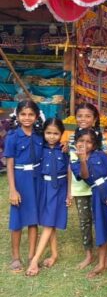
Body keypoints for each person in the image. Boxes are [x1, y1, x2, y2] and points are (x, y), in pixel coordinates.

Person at [27, 119, 71, 276]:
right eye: (48, 133)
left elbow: (69, 170)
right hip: (43, 187)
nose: (52, 136)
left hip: (59, 188)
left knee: (48, 223)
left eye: (56, 133)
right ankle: (54, 254)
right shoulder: (40, 147)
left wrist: (69, 193)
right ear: (43, 133)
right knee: (48, 221)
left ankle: (35, 260)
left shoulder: (65, 149)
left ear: (61, 134)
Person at [71, 127, 107, 278]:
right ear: (75, 143)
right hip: (97, 193)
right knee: (101, 226)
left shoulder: (101, 155)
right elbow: (84, 176)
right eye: (81, 141)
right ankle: (102, 262)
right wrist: (83, 160)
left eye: (89, 142)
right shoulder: (75, 163)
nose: (84, 144)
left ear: (94, 144)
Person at [5, 100, 44, 274]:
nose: (27, 118)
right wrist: (13, 189)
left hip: (36, 179)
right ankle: (15, 257)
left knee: (33, 218)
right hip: (20, 179)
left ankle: (31, 256)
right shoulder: (13, 136)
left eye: (30, 114)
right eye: (23, 114)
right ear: (18, 116)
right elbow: (10, 164)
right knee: (17, 219)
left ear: (36, 116)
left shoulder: (39, 135)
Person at [66, 103, 103, 270]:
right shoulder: (71, 139)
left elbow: (104, 162)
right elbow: (70, 165)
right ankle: (88, 254)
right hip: (79, 188)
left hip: (97, 187)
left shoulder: (101, 138)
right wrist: (69, 191)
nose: (83, 119)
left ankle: (103, 255)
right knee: (84, 221)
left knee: (98, 220)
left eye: (88, 116)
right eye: (80, 116)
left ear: (94, 119)